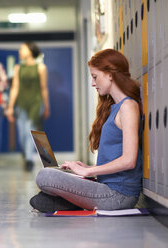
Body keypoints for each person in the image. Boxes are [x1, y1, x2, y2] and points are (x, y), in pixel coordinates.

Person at [30, 49, 143, 212]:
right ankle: (66, 201)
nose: (92, 83)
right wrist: (86, 168)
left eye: (95, 77)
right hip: (106, 187)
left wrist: (88, 171)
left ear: (110, 75)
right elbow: (116, 158)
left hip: (118, 196)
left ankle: (66, 201)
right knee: (48, 177)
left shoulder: (128, 107)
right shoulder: (115, 108)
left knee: (45, 176)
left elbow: (129, 160)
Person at [5, 42, 50, 171]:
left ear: (30, 51)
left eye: (22, 49)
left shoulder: (41, 67)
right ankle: (26, 154)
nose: (20, 51)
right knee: (22, 133)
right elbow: (14, 88)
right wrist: (10, 107)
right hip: (22, 103)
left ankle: (29, 160)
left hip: (36, 102)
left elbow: (44, 89)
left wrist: (47, 106)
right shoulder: (18, 68)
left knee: (30, 130)